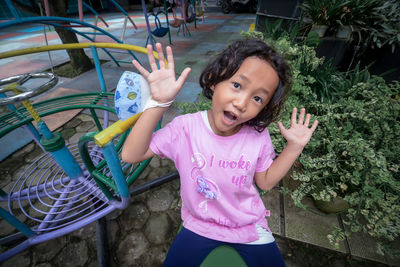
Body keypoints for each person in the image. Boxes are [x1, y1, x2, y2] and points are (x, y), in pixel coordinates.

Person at [122, 39, 318, 267]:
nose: (242, 103)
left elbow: (264, 182)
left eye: (257, 98)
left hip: (248, 226)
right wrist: (159, 103)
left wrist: (294, 147)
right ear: (215, 80)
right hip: (200, 223)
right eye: (237, 85)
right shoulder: (185, 128)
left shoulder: (257, 136)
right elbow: (131, 155)